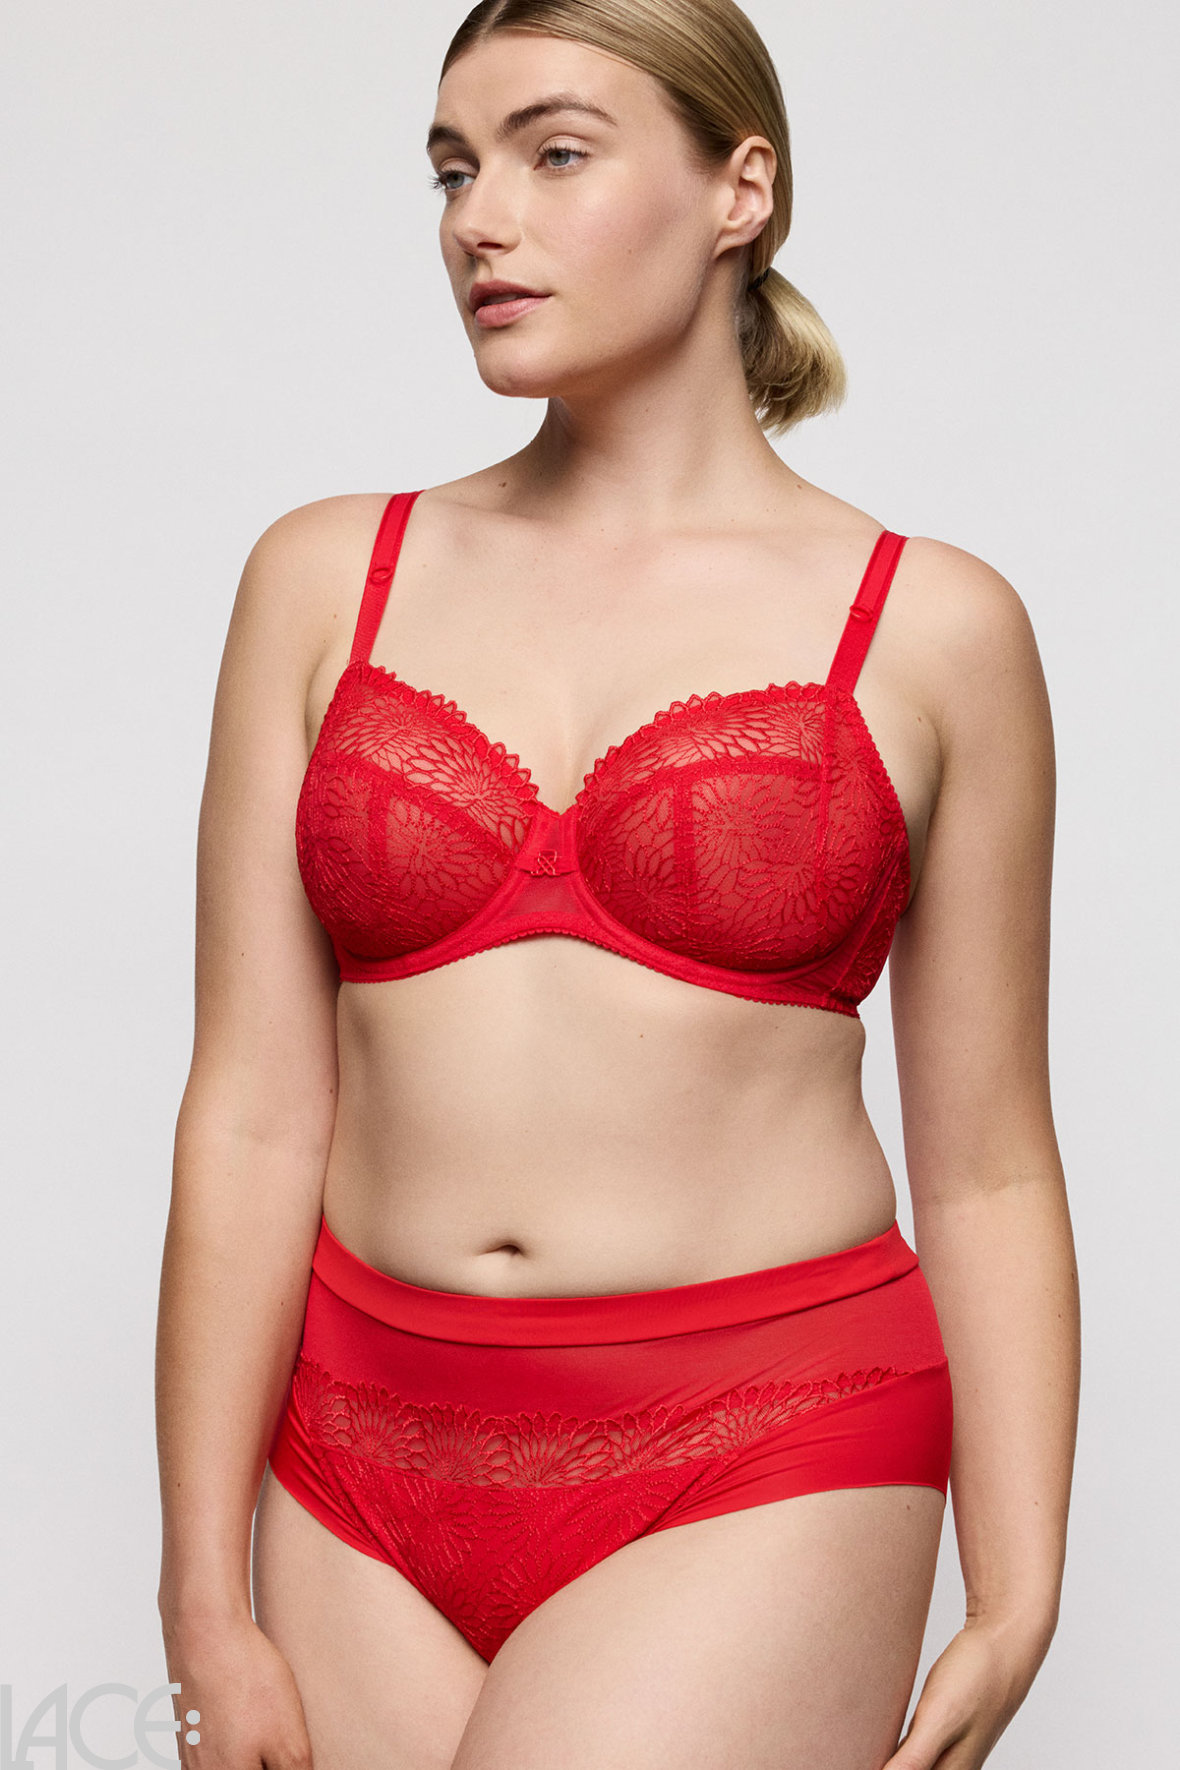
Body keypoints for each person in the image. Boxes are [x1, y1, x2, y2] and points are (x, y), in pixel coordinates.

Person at [154, 2, 1081, 1766]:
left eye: (554, 154)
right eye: (453, 170)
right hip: (355, 1453)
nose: (480, 222)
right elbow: (252, 1112)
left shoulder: (936, 627)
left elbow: (989, 1160)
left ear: (743, 188)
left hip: (764, 1440)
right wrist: (201, 1584)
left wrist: (1019, 1580)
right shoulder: (324, 578)